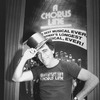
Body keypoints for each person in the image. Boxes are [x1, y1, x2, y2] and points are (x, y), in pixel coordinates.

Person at [12, 32, 99, 100]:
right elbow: (16, 78)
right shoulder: (38, 70)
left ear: (52, 50)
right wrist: (24, 58)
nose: (42, 56)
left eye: (45, 50)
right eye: (38, 53)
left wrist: (78, 98)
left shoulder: (67, 66)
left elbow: (93, 79)